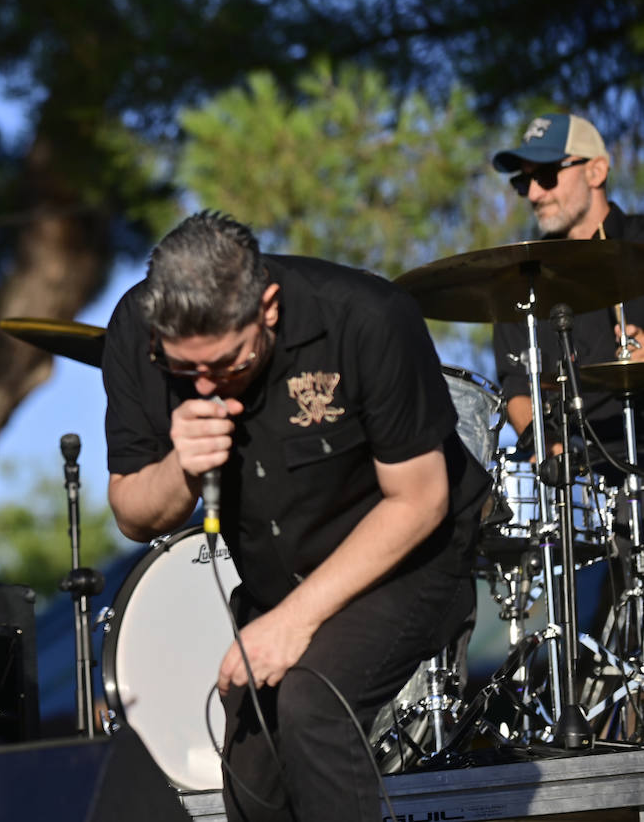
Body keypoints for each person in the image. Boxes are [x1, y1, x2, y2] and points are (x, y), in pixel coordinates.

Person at [102, 211, 490, 822]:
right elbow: (131, 510)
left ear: (269, 309)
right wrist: (181, 465)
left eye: (227, 364)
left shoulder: (365, 317)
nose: (205, 387)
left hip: (410, 552)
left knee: (314, 702)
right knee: (254, 763)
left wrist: (293, 622)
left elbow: (420, 499)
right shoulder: (134, 331)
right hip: (277, 578)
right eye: (184, 370)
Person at [490, 112, 644, 462]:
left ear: (596, 171)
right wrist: (549, 451)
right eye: (522, 182)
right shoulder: (522, 280)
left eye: (546, 176)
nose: (533, 193)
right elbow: (516, 386)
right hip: (577, 487)